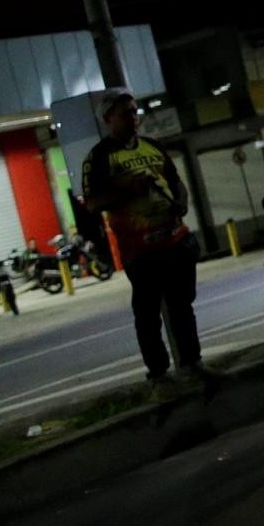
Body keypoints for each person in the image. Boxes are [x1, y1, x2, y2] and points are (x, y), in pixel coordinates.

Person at [82, 88, 202, 383]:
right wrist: (126, 189)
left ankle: (192, 364)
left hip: (174, 241)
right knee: (147, 315)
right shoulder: (99, 157)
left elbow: (176, 182)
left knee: (181, 308)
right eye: (127, 113)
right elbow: (93, 203)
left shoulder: (152, 146)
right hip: (141, 251)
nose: (134, 118)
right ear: (109, 118)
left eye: (136, 112)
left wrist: (182, 203)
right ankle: (159, 373)